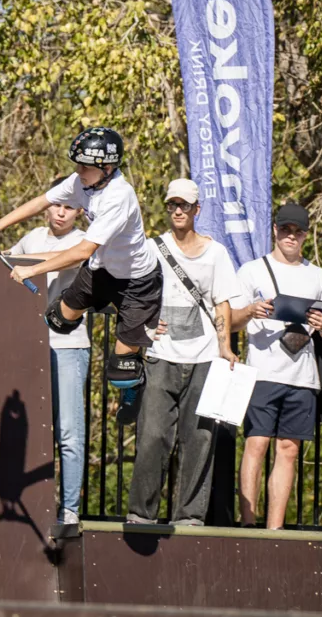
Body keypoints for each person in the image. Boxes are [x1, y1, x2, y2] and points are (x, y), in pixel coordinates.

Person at [0, 127, 162, 424]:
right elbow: (41, 202)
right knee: (56, 319)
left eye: (85, 167)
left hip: (137, 282)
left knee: (120, 369)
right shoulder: (82, 182)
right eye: (78, 165)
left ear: (107, 168)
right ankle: (99, 305)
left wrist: (31, 270)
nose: (78, 171)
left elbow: (81, 251)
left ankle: (135, 384)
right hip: (102, 271)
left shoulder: (118, 197)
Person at [125, 179, 240, 526]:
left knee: (199, 438)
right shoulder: (152, 247)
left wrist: (225, 347)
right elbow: (132, 293)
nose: (178, 210)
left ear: (196, 210)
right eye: (172, 204)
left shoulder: (216, 252)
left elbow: (222, 302)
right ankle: (141, 514)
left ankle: (190, 516)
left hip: (204, 357)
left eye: (184, 205)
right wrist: (143, 328)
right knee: (153, 435)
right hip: (161, 355)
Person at [231, 202, 322, 529]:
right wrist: (252, 310)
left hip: (303, 377)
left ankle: (274, 529)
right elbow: (232, 321)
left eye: (298, 231)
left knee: (289, 449)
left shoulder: (317, 275)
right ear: (275, 231)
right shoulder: (252, 270)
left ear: (306, 235)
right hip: (263, 373)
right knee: (256, 443)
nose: (291, 236)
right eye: (285, 230)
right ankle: (248, 523)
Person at [1, 178, 91, 525]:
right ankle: (25, 504)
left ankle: (69, 510)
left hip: (68, 346)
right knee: (29, 430)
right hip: (29, 344)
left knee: (69, 432)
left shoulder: (83, 241)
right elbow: (8, 267)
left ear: (79, 211)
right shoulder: (32, 238)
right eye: (57, 204)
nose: (61, 211)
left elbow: (58, 260)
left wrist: (17, 260)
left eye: (69, 206)